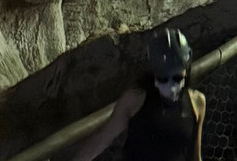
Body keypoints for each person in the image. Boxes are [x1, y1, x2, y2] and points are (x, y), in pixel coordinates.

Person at [73, 27, 206, 161]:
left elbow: (195, 156)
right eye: (163, 79)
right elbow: (102, 139)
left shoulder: (197, 103)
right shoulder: (135, 101)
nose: (171, 86)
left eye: (178, 78)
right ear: (154, 74)